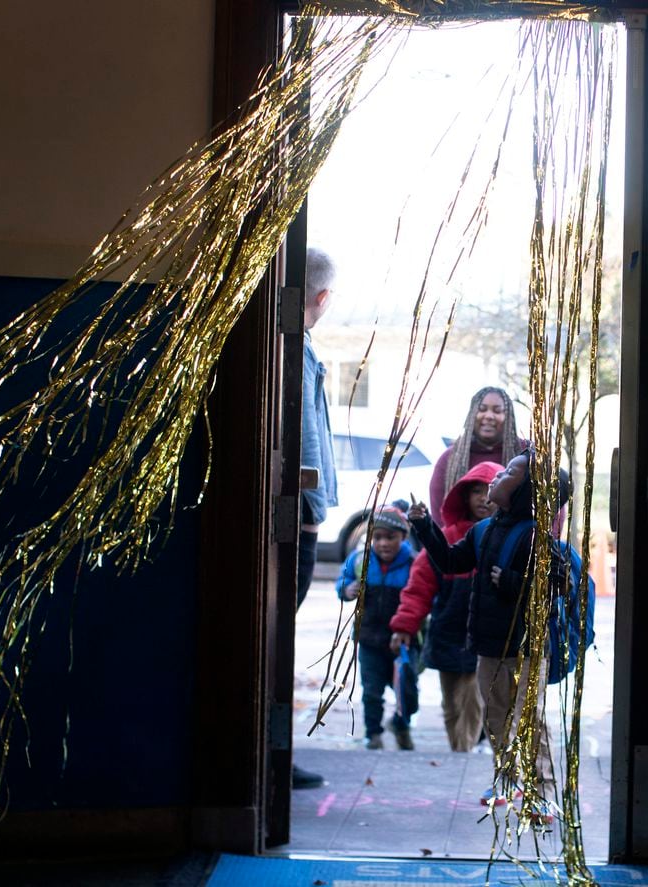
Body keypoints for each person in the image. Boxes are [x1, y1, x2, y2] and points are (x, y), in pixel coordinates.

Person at [408, 450, 569, 823]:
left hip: (527, 648)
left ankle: (543, 791)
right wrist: (424, 528)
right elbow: (451, 562)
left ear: (529, 492)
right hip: (489, 647)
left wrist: (513, 582)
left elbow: (560, 582)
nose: (497, 477)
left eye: (510, 472)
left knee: (532, 720)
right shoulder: (482, 530)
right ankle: (509, 778)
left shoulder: (534, 537)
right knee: (496, 719)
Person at [388, 461, 501, 752]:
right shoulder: (448, 538)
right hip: (448, 633)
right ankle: (459, 751)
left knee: (475, 701)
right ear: (464, 496)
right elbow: (419, 587)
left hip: (486, 638)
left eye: (490, 490)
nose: (483, 497)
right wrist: (404, 626)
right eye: (476, 491)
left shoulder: (505, 538)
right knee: (451, 703)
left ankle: (463, 755)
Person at [294, 247, 338, 789]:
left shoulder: (295, 348)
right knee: (278, 636)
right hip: (298, 521)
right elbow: (306, 434)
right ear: (322, 298)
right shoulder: (295, 352)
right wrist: (310, 511)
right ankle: (266, 753)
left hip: (300, 515)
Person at [336, 506, 419, 751]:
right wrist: (346, 589)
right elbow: (343, 581)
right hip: (369, 640)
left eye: (390, 537)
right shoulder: (360, 560)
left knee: (407, 690)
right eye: (377, 537)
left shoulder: (414, 563)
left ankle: (401, 725)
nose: (383, 543)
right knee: (371, 691)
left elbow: (425, 597)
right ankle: (373, 734)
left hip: (403, 641)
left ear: (403, 537)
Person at [428, 387, 526, 529]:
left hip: (516, 544)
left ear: (509, 416)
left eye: (497, 411)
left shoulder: (526, 453)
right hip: (461, 546)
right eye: (482, 409)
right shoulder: (450, 458)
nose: (489, 416)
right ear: (472, 414)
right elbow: (439, 515)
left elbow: (552, 502)